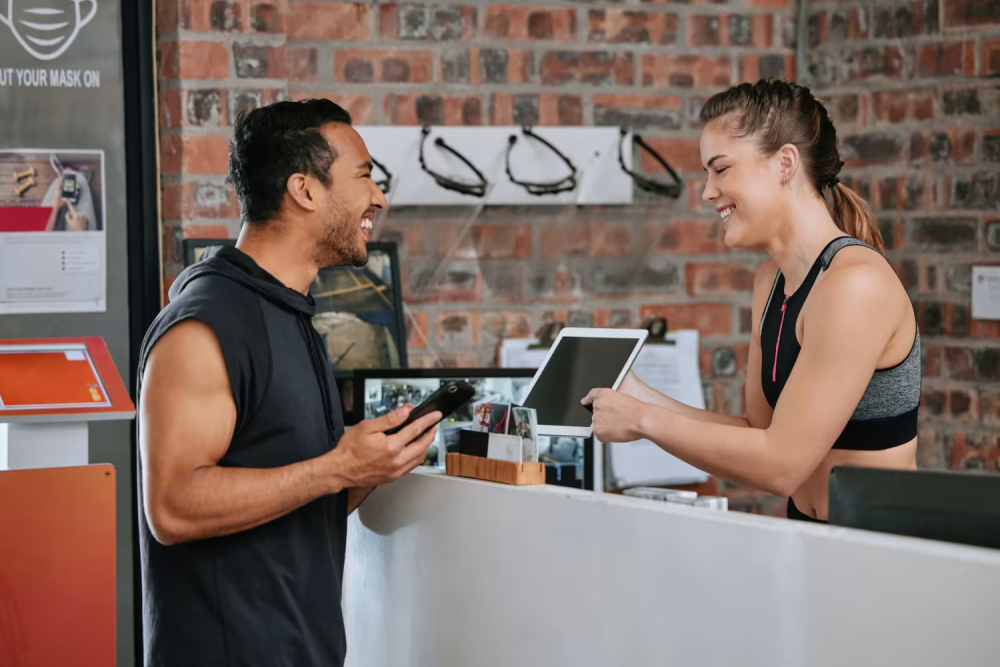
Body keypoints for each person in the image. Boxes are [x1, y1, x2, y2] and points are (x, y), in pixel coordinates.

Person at [136, 99, 442, 666]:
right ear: (304, 190)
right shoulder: (205, 324)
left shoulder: (291, 315)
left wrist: (372, 467)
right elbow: (173, 508)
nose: (377, 197)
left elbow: (293, 496)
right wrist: (336, 467)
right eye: (364, 176)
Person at [584, 79, 920, 523]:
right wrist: (639, 396)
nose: (707, 191)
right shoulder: (773, 282)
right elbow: (760, 435)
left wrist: (645, 421)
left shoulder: (855, 285)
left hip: (878, 549)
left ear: (785, 163)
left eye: (720, 169)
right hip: (808, 533)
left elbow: (781, 465)